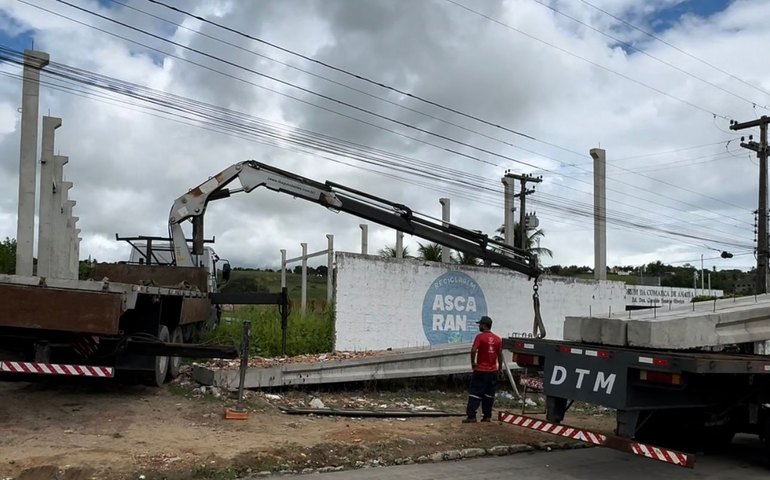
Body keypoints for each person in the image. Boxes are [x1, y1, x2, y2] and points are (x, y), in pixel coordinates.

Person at [462, 315, 503, 423]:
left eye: (480, 324)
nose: (479, 326)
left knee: (475, 393)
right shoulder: (498, 339)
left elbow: (473, 350)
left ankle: (471, 416)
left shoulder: (480, 337)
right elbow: (500, 355)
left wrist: (473, 363)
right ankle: (487, 416)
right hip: (492, 371)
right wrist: (500, 369)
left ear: (484, 325)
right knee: (489, 395)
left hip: (480, 370)